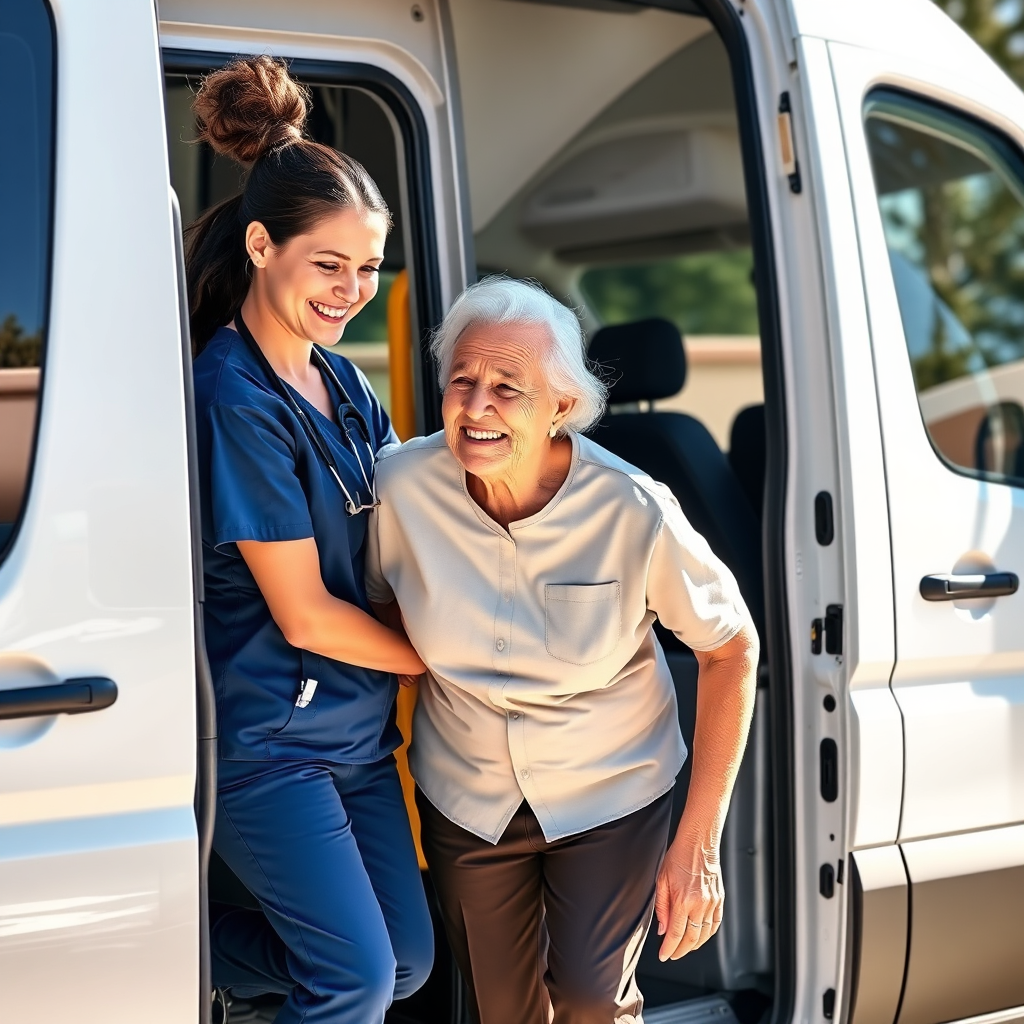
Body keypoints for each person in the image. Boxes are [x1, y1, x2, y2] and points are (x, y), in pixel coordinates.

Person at [366, 277, 759, 1024]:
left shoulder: (632, 508)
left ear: (562, 408)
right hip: (465, 791)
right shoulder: (401, 488)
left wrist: (697, 843)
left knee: (589, 999)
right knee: (502, 1009)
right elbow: (380, 610)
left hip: (609, 787)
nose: (476, 407)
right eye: (462, 381)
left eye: (507, 388)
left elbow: (732, 649)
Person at [187, 55, 433, 1024]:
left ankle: (180, 950)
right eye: (328, 263)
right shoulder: (235, 396)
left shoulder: (343, 383)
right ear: (260, 245)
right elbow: (302, 609)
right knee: (355, 981)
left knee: (405, 964)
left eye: (367, 266)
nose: (351, 288)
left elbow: (395, 527)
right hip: (271, 743)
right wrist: (439, 657)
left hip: (356, 736)